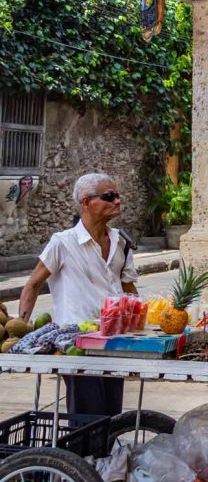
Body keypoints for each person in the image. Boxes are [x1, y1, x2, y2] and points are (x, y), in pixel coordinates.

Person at [19, 173, 138, 416]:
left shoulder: (121, 243)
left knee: (111, 410)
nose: (117, 201)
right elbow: (32, 285)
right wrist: (21, 330)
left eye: (117, 196)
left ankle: (103, 454)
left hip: (113, 340)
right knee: (87, 411)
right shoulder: (63, 243)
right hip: (76, 342)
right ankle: (81, 454)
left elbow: (128, 288)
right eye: (108, 196)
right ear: (85, 202)